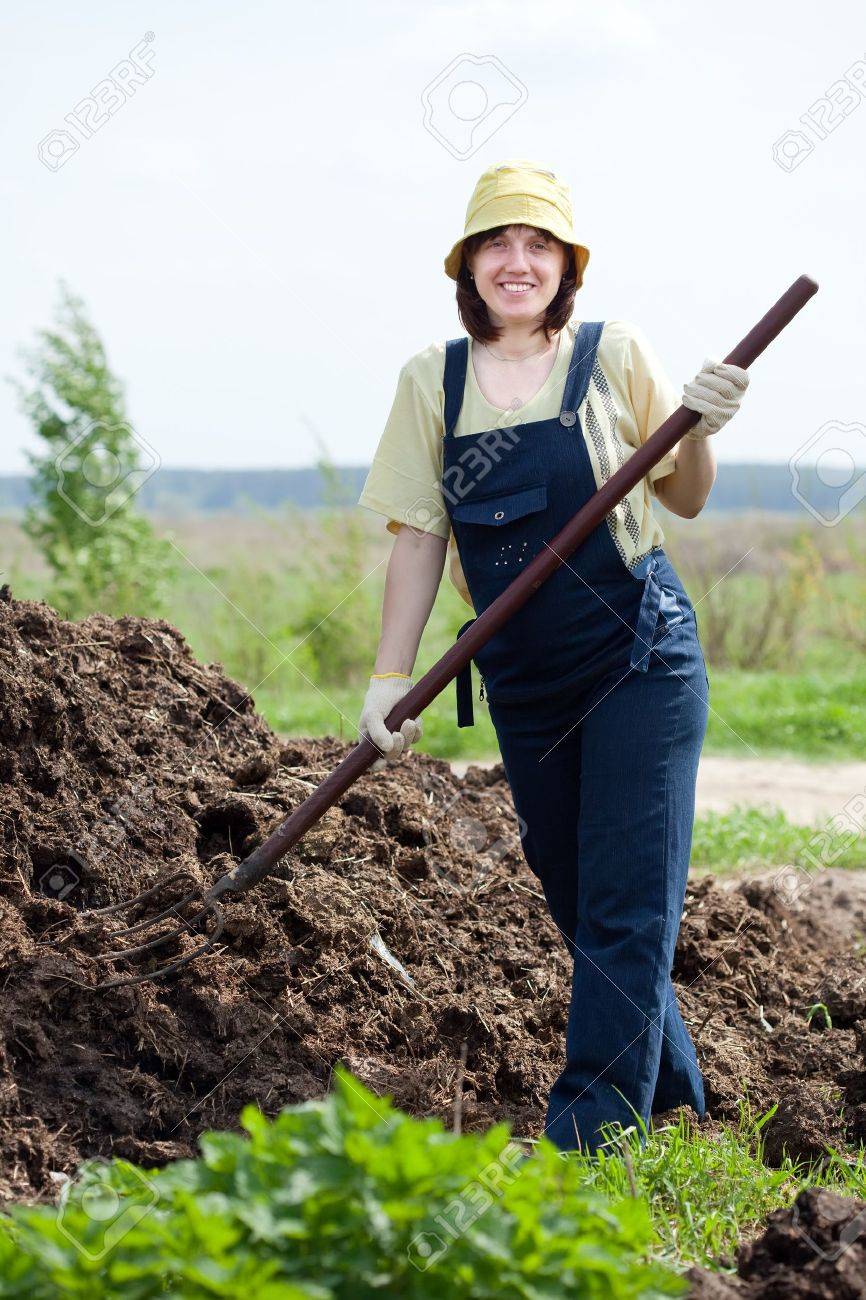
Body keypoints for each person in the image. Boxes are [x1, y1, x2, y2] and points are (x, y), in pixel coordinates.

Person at [355, 159, 749, 1155]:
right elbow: (417, 536)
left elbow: (685, 496)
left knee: (625, 898)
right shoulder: (431, 380)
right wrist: (388, 679)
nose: (516, 261)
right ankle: (679, 1110)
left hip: (636, 658)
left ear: (565, 264)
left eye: (538, 244)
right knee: (579, 899)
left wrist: (697, 427)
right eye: (497, 243)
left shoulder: (612, 355)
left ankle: (589, 1139)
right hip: (524, 679)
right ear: (467, 264)